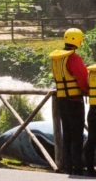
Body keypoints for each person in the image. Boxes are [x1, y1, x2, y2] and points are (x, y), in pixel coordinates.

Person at [49, 28, 88, 176]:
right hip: (74, 100)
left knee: (67, 134)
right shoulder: (74, 58)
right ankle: (77, 167)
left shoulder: (57, 58)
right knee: (77, 134)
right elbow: (82, 78)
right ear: (78, 40)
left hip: (61, 99)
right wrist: (89, 90)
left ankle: (68, 165)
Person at [86, 64, 96, 177]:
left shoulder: (91, 72)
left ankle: (90, 168)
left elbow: (87, 85)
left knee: (91, 139)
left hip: (93, 110)